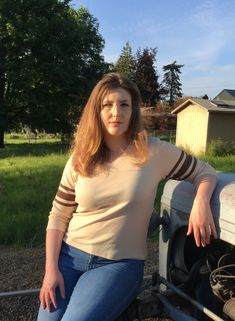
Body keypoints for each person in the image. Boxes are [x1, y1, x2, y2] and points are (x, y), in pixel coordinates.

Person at [37, 72, 217, 321]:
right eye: (107, 105)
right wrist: (50, 270)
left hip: (118, 265)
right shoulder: (81, 157)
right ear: (96, 111)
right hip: (68, 258)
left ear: (133, 111)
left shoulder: (153, 151)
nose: (116, 112)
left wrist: (200, 202)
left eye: (124, 105)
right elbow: (58, 215)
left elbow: (204, 172)